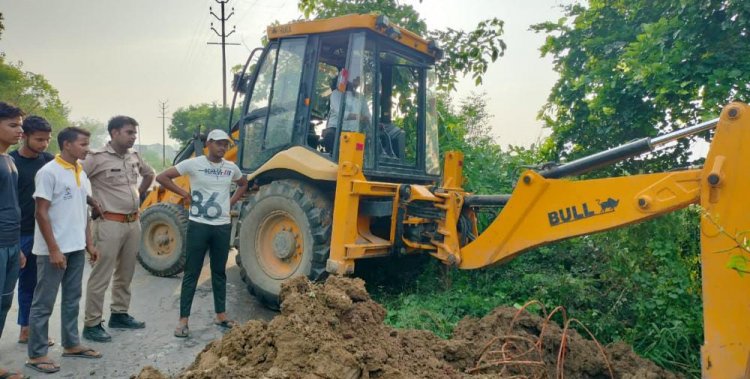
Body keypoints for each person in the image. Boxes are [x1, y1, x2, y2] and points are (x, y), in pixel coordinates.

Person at [156, 129, 248, 338]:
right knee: (192, 273)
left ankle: (221, 315)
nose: (223, 148)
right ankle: (183, 321)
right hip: (199, 225)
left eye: (226, 144)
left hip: (222, 226)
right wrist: (184, 194)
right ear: (208, 144)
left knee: (219, 272)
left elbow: (243, 184)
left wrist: (230, 202)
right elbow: (162, 177)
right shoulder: (194, 164)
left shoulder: (230, 168)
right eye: (218, 144)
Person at [26, 127, 102, 374]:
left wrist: (89, 243)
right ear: (67, 145)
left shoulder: (80, 171)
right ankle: (37, 354)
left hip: (76, 247)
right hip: (53, 251)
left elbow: (84, 212)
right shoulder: (49, 172)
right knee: (43, 302)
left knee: (72, 299)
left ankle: (71, 344)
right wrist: (54, 249)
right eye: (83, 144)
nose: (87, 148)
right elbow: (41, 212)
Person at [81, 116, 154, 343]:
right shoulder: (96, 158)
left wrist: (139, 194)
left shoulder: (134, 157)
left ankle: (119, 314)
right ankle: (92, 324)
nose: (133, 136)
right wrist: (92, 202)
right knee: (101, 274)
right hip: (109, 224)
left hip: (133, 223)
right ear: (114, 133)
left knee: (126, 273)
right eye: (129, 132)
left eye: (134, 133)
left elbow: (150, 174)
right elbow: (73, 181)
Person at [10, 116, 55, 347]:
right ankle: (26, 328)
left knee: (36, 282)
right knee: (14, 284)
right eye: (39, 139)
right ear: (24, 136)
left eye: (47, 140)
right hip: (17, 232)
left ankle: (27, 328)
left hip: (41, 231)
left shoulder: (48, 161)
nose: (44, 144)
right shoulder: (10, 162)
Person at [0, 102, 25, 379]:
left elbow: (13, 204)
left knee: (4, 303)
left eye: (20, 125)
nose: (20, 130)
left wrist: (17, 246)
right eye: (13, 125)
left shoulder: (9, 160)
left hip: (10, 242)